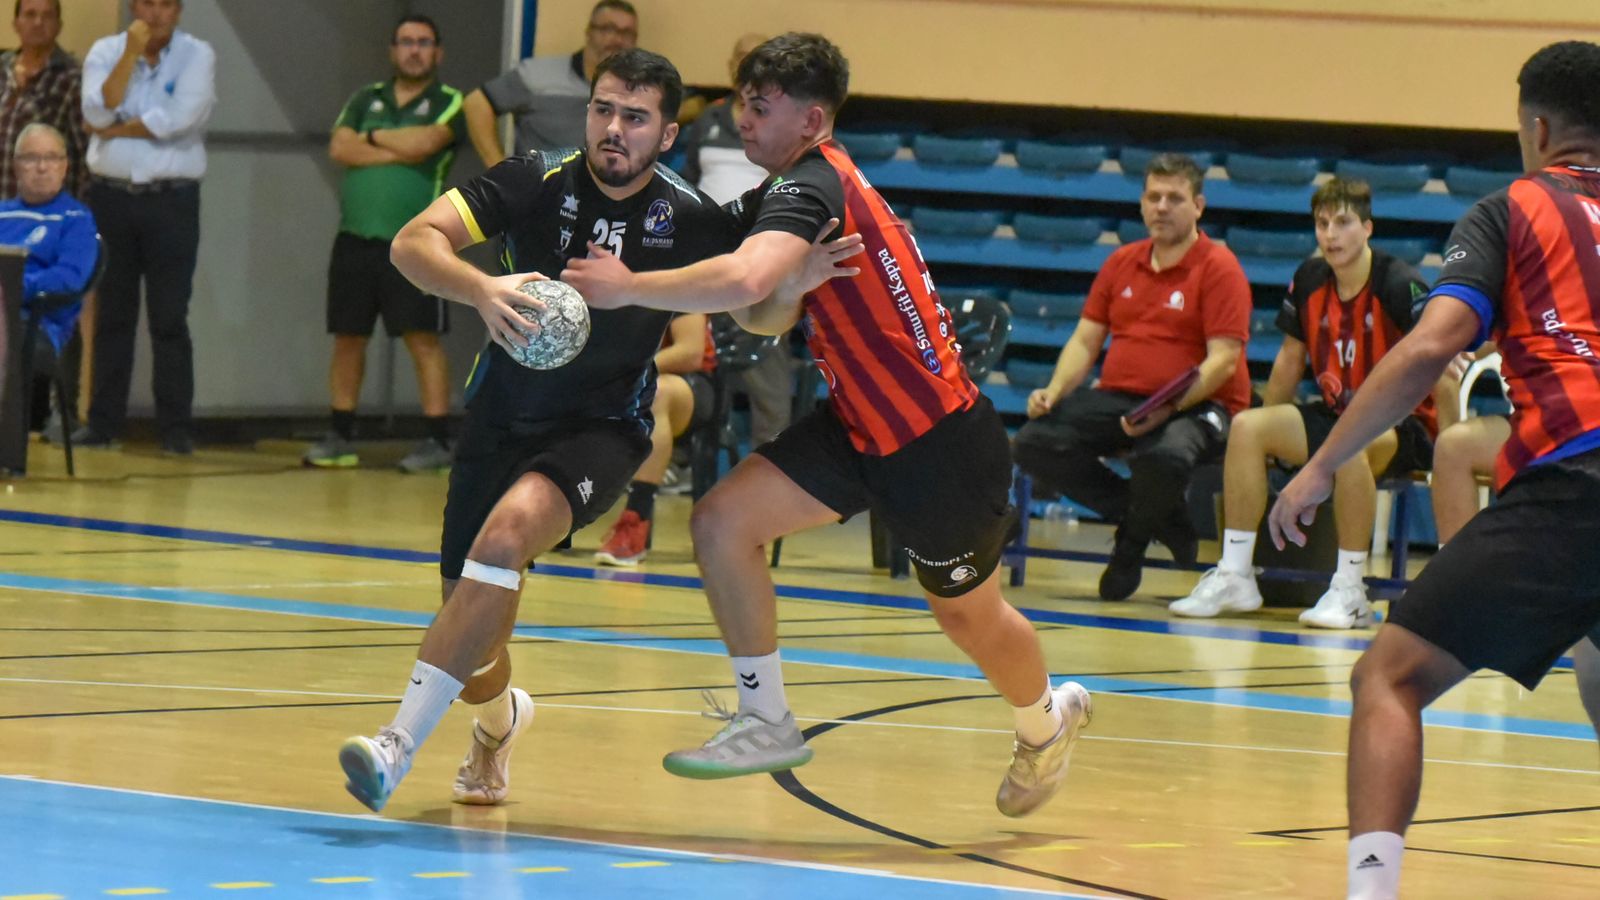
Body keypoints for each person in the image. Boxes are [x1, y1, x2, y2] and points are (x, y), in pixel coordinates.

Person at [564, 33, 1091, 818]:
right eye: (741, 100)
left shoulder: (813, 184)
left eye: (761, 105)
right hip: (855, 425)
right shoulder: (798, 189)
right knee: (719, 523)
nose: (743, 116)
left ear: (811, 118)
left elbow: (742, 277)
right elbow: (764, 311)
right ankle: (766, 718)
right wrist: (791, 283)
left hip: (938, 441)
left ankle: (1047, 723)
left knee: (967, 617)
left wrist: (628, 285)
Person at [336, 48, 850, 813]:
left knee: (506, 538)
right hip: (502, 419)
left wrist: (792, 288)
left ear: (667, 135)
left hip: (602, 429)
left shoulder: (690, 216)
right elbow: (415, 243)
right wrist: (481, 287)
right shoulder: (533, 180)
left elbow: (755, 314)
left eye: (635, 118)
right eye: (604, 110)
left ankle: (394, 746)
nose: (614, 129)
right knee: (476, 641)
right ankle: (499, 724)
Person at [1268, 41, 1600, 900]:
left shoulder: (1513, 209)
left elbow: (1432, 346)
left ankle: (1370, 893)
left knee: (1386, 676)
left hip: (1577, 481)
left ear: (1535, 127)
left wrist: (1320, 468)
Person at [1170, 178, 1439, 628]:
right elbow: (1289, 361)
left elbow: (1440, 357)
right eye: (1322, 223)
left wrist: (1444, 446)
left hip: (1401, 424)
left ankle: (1350, 591)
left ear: (1368, 228)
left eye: (1343, 223)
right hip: (1338, 414)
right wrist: (1272, 433)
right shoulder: (1310, 279)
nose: (1330, 234)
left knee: (1350, 443)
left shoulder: (1397, 281)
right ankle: (1236, 574)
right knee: (1248, 428)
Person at [1012, 153, 1252, 601]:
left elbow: (1222, 361)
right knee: (1033, 442)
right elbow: (1085, 342)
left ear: (1198, 205)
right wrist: (1054, 389)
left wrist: (1165, 410)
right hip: (1123, 397)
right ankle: (1157, 516)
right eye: (1153, 196)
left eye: (1175, 198)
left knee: (1162, 456)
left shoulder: (1219, 267)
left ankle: (1130, 548)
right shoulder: (1122, 261)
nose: (1161, 207)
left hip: (1200, 404)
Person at [304, 16, 465, 473]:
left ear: (438, 52)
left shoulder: (450, 102)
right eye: (406, 42)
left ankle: (436, 439)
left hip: (417, 244)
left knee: (422, 338)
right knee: (348, 337)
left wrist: (369, 138)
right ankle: (341, 434)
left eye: (424, 43)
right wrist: (396, 146)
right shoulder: (364, 98)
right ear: (393, 50)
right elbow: (339, 148)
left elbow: (428, 142)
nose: (415, 50)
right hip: (355, 239)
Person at [75, 0, 214, 455]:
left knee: (169, 317)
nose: (156, 14)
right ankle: (103, 423)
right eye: (148, 3)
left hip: (171, 200)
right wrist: (129, 55)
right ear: (134, 7)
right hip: (111, 197)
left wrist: (113, 130)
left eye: (167, 5)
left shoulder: (199, 54)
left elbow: (175, 122)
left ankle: (175, 429)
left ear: (179, 11)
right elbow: (98, 112)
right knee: (112, 314)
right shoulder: (105, 50)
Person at [680, 32, 795, 450]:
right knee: (693, 374)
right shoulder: (708, 120)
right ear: (731, 67)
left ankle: (772, 473)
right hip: (703, 267)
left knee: (770, 388)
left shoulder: (785, 125)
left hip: (762, 270)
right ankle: (684, 463)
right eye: (742, 60)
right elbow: (687, 184)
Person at [593, 312, 716, 566]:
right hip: (626, 383)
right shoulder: (597, 282)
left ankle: (635, 518)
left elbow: (690, 352)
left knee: (654, 396)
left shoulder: (679, 275)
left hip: (687, 384)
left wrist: (627, 376)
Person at [461, 0, 636, 168]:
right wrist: (499, 170)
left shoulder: (639, 92)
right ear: (589, 31)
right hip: (536, 192)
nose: (617, 40)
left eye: (627, 33)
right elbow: (476, 104)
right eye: (608, 29)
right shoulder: (537, 75)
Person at [5, 123, 96, 430]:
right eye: (31, 158)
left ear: (64, 166)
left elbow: (69, 279)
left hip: (38, 325)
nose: (42, 167)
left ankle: (10, 451)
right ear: (16, 165)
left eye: (52, 158)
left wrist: (12, 288)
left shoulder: (76, 219)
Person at [1, 0, 87, 200]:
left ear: (59, 26)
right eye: (30, 15)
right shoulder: (3, 68)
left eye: (47, 16)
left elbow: (84, 157)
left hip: (44, 209)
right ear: (16, 24)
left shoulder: (73, 77)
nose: (38, 22)